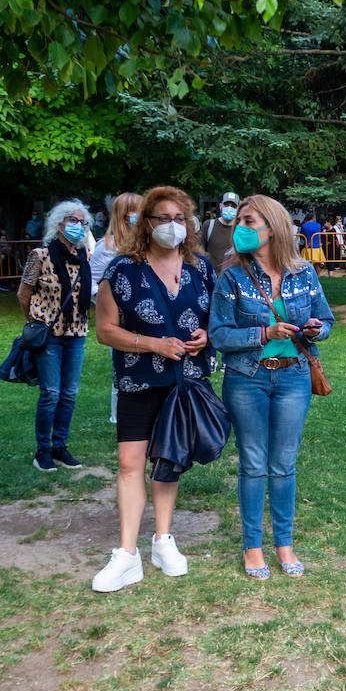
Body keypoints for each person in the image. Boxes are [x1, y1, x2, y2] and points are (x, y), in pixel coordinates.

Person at [93, 186, 215, 591]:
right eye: (163, 218)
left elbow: (216, 318)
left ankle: (163, 541)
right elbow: (105, 331)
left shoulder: (201, 268)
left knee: (169, 460)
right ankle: (127, 554)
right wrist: (151, 344)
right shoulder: (122, 270)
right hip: (138, 380)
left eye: (180, 219)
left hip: (185, 382)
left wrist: (205, 336)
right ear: (146, 222)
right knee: (131, 464)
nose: (172, 226)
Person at [209, 195, 334, 580]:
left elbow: (326, 320)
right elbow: (218, 333)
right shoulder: (232, 276)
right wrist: (263, 332)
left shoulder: (304, 273)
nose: (241, 226)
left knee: (283, 465)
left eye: (249, 220)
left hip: (294, 375)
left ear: (273, 227)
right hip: (248, 378)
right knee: (252, 464)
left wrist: (316, 329)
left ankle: (284, 544)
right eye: (240, 220)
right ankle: (252, 547)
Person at [19, 200, 95, 470]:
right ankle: (44, 450)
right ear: (59, 224)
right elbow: (23, 293)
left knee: (69, 394)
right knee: (50, 392)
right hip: (50, 334)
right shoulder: (40, 255)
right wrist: (34, 322)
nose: (78, 226)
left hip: (77, 333)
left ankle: (60, 445)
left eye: (82, 222)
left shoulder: (84, 257)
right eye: (73, 221)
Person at [90, 192, 142, 425]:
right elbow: (90, 282)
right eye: (135, 210)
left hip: (144, 316)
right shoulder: (106, 246)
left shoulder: (145, 242)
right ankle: (120, 417)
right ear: (122, 214)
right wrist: (109, 304)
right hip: (119, 321)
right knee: (123, 369)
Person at [202, 191, 239, 272]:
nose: (230, 208)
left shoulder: (240, 230)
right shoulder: (208, 225)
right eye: (226, 205)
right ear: (220, 206)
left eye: (233, 206)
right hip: (210, 278)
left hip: (231, 279)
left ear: (238, 209)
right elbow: (198, 251)